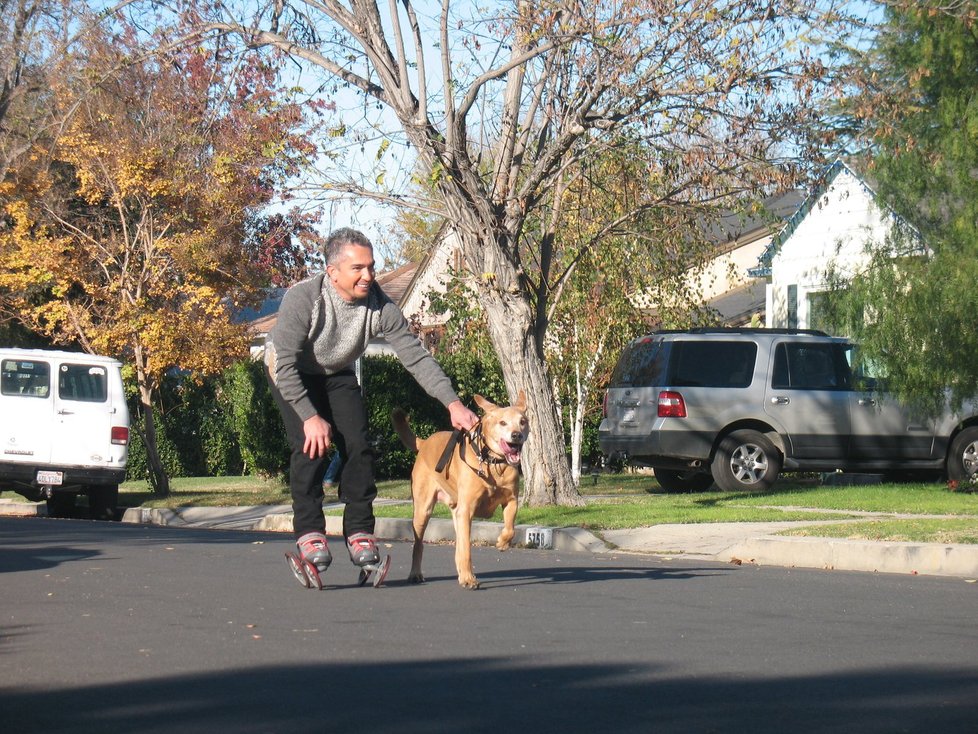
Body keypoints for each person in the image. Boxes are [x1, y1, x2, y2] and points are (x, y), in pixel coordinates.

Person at [265, 227, 479, 577]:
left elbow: (416, 357)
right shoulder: (304, 299)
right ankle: (310, 533)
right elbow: (283, 365)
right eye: (358, 268)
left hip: (336, 371)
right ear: (332, 272)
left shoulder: (379, 305)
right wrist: (309, 417)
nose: (368, 276)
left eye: (372, 267)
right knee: (312, 447)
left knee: (359, 445)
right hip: (290, 372)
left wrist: (452, 403)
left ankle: (360, 532)